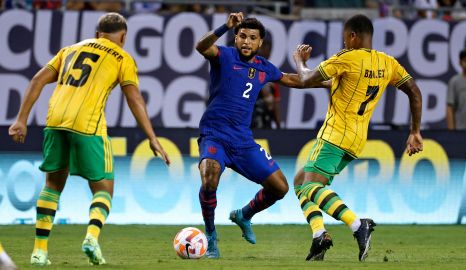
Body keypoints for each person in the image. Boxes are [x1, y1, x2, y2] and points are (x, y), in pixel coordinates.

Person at [8, 13, 170, 266]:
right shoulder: (123, 58)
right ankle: (91, 237)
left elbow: (37, 80)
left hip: (55, 121)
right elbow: (134, 98)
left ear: (98, 33)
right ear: (123, 37)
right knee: (104, 188)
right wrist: (152, 137)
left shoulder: (69, 50)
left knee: (52, 185)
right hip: (88, 124)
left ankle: (39, 252)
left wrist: (21, 119)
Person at [195, 12, 327, 259]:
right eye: (242, 36)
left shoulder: (264, 67)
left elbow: (292, 79)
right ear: (235, 38)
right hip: (214, 135)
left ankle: (243, 215)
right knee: (209, 179)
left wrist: (328, 82)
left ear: (260, 43)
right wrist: (226, 25)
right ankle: (211, 237)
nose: (246, 41)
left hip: (243, 142)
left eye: (252, 38)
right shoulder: (224, 56)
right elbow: (201, 46)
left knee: (280, 188)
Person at [292, 14, 423, 261]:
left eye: (344, 38)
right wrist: (415, 131)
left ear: (352, 36)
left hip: (334, 134)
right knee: (300, 182)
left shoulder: (346, 58)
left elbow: (307, 78)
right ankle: (319, 235)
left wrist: (300, 60)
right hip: (356, 140)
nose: (343, 43)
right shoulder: (388, 63)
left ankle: (357, 224)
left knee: (310, 186)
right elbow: (415, 92)